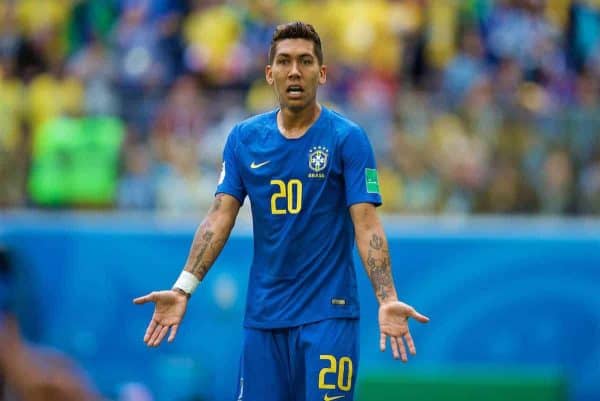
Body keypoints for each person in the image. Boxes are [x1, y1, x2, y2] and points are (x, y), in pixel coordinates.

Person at [134, 21, 429, 401]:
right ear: (269, 73)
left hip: (328, 316)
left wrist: (387, 298)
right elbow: (219, 215)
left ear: (321, 74)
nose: (295, 71)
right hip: (264, 318)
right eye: (285, 61)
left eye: (305, 61)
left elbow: (367, 224)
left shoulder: (347, 139)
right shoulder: (244, 139)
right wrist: (183, 288)